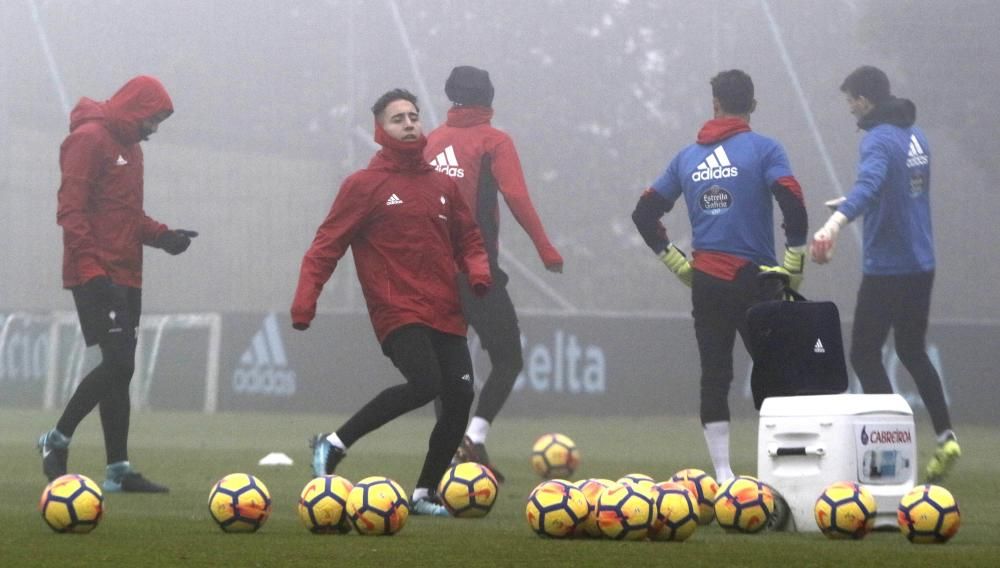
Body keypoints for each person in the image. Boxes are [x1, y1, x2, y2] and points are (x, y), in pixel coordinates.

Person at [291, 88, 492, 516]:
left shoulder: (442, 185)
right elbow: (326, 246)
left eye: (414, 116)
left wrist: (477, 271)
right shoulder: (364, 185)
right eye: (397, 118)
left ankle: (423, 494)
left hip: (445, 308)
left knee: (459, 394)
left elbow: (469, 237)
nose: (409, 123)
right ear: (380, 130)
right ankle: (333, 444)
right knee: (425, 382)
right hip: (396, 307)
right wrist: (305, 301)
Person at [632, 69, 807, 484]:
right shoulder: (766, 149)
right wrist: (795, 260)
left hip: (708, 282)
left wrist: (676, 263)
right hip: (758, 280)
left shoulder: (686, 158)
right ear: (753, 105)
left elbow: (643, 213)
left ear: (715, 105)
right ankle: (784, 473)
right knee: (777, 373)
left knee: (715, 375)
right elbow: (793, 203)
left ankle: (725, 478)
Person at [38, 75, 197, 493]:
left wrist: (165, 236)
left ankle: (117, 470)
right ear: (136, 108)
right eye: (154, 119)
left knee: (119, 369)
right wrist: (92, 271)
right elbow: (71, 212)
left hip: (126, 274)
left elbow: (127, 217)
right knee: (120, 363)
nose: (154, 129)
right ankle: (56, 439)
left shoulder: (131, 150)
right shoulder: (88, 140)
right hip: (95, 273)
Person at [811, 65, 959, 482]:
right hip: (922, 263)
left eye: (850, 100)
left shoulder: (877, 139)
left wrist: (835, 223)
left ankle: (895, 445)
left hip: (888, 268)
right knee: (912, 349)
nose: (849, 109)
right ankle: (946, 436)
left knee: (863, 353)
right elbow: (899, 189)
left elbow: (872, 184)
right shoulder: (916, 135)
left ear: (864, 100)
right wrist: (853, 201)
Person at [424, 66, 563, 481]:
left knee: (449, 367)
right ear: (489, 97)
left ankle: (452, 453)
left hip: (432, 274)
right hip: (475, 271)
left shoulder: (430, 141)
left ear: (451, 95)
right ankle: (474, 436)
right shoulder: (493, 141)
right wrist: (545, 247)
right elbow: (516, 195)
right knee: (508, 359)